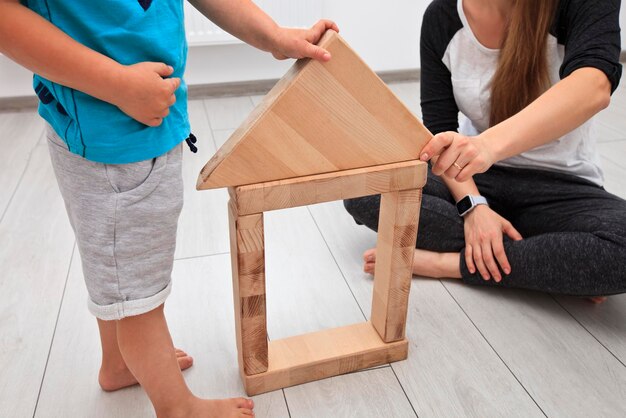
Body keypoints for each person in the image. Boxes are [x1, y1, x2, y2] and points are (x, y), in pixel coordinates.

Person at [0, 1, 338, 417]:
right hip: (113, 137)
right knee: (138, 292)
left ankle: (120, 361)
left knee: (116, 267)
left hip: (129, 122)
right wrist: (117, 84)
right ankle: (178, 408)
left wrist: (271, 34)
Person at [344, 0, 625, 303]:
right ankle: (544, 257)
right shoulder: (442, 17)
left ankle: (453, 263)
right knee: (365, 186)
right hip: (473, 178)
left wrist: (487, 145)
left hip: (561, 187)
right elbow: (441, 133)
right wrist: (473, 207)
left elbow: (594, 85)